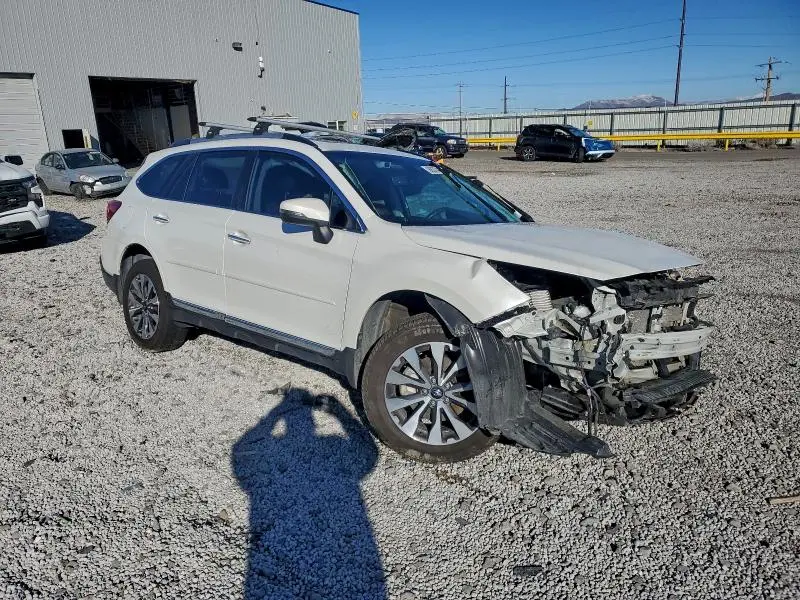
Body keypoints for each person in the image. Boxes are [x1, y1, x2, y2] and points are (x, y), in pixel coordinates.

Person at [232, 389, 386, 600]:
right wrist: (340, 413)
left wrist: (276, 413)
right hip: (351, 541)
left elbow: (240, 452)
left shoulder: (281, 451)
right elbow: (369, 457)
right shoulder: (335, 445)